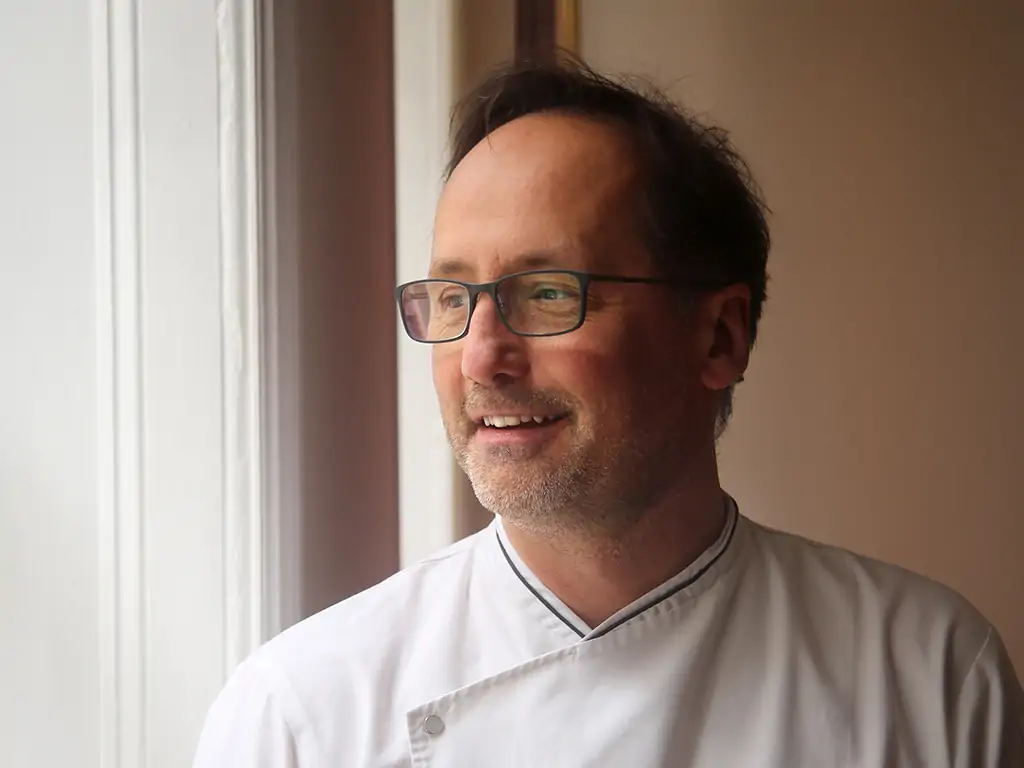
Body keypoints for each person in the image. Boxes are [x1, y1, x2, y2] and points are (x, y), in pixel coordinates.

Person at [193, 60, 1023, 767]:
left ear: (720, 338)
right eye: (453, 298)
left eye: (548, 292)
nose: (481, 357)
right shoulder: (300, 713)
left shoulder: (930, 674)